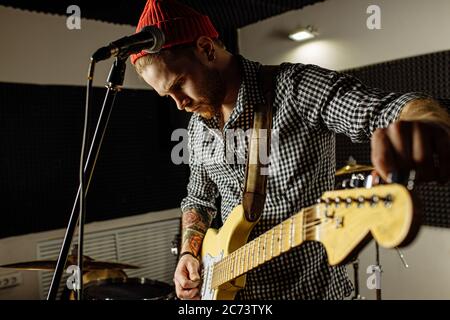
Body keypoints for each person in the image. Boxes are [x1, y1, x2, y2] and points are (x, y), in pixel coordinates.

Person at [130, 0, 450, 299]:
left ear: (205, 49)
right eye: (167, 96)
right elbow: (198, 197)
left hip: (314, 292)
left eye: (179, 85)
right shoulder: (198, 127)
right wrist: (189, 251)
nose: (180, 104)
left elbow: (386, 110)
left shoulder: (294, 89)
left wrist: (427, 122)